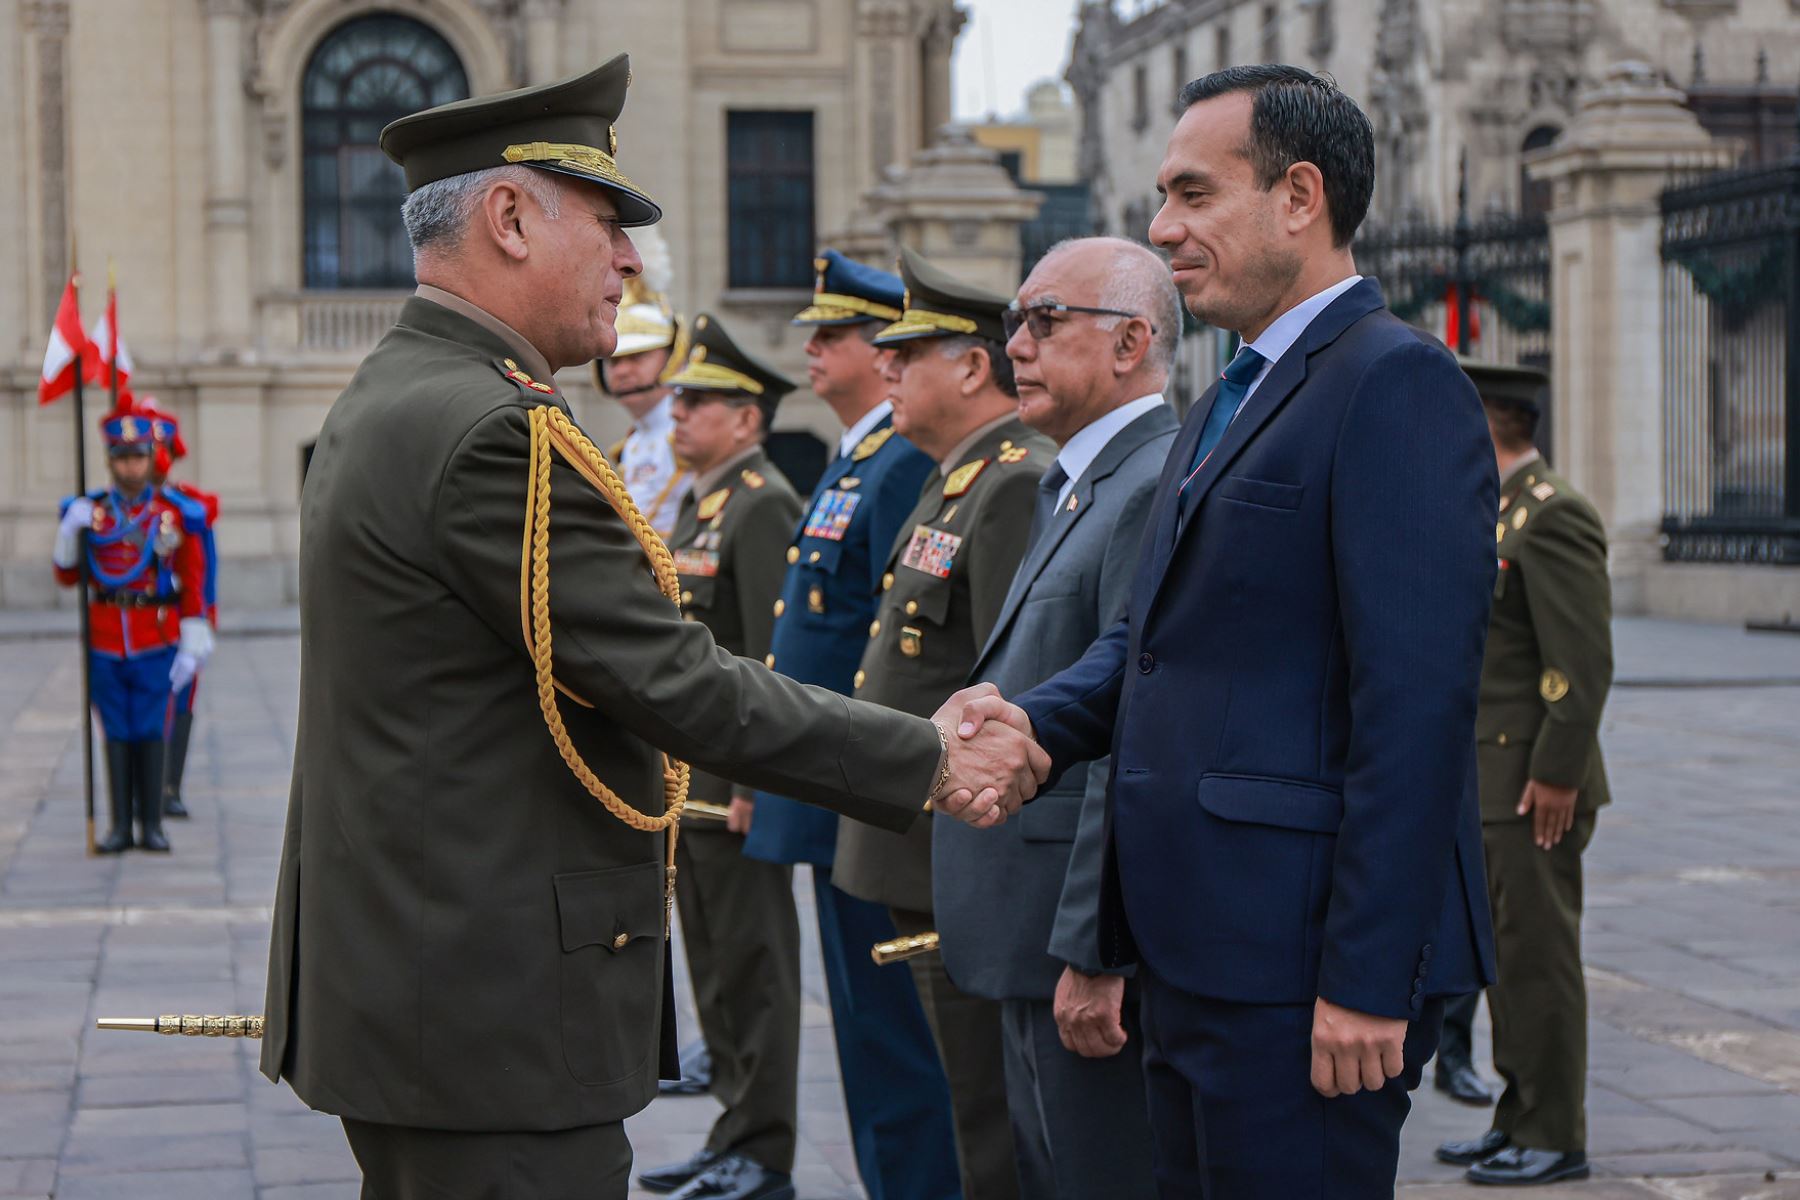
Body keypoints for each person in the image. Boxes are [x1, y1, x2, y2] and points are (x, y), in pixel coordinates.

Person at [257, 57, 1047, 1198]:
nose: (629, 259)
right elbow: (678, 681)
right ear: (510, 218)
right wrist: (930, 755)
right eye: (606, 222)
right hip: (491, 1008)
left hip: (428, 983)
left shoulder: (401, 392)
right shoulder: (497, 432)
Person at [965, 65, 1499, 1197]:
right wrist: (1033, 726)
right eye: (1165, 197)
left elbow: (1416, 710)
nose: (1163, 229)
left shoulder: (1396, 382)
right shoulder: (1226, 397)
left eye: (1194, 194)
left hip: (1300, 964)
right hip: (1192, 943)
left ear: (1299, 196)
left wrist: (1366, 980)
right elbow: (1152, 641)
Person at [935, 236, 1178, 1199]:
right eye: (1014, 322)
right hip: (1027, 927)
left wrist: (1094, 945)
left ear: (1130, 342)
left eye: (1045, 320)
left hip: (1070, 939)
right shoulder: (1076, 481)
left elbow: (1133, 731)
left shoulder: (1151, 482)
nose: (1015, 347)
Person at [740, 249, 961, 1200]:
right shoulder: (858, 456)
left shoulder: (900, 461)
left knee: (894, 1034)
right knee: (870, 1032)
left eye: (833, 334)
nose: (812, 349)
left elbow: (897, 644)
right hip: (838, 783)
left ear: (883, 352)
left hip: (872, 788)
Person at [835, 245, 1054, 1200]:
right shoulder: (952, 477)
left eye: (907, 353)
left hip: (959, 854)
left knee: (989, 1120)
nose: (884, 367)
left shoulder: (1009, 482)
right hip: (917, 847)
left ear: (971, 367)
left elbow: (1012, 696)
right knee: (957, 1103)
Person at [634, 314, 805, 1200]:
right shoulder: (706, 500)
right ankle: (733, 1131)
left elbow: (771, 661)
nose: (679, 413)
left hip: (734, 788)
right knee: (715, 970)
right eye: (680, 400)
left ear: (746, 418)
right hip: (690, 785)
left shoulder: (762, 500)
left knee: (754, 970)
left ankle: (764, 1150)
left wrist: (755, 786)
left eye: (698, 402)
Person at [1435, 361, 1612, 1188]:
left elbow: (1580, 663)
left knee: (1538, 960)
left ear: (1488, 421)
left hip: (1533, 784)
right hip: (1490, 777)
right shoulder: (1498, 509)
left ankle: (1555, 1133)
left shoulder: (1552, 514)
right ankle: (1516, 1117)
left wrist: (1558, 776)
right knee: (1505, 960)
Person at [52, 399, 212, 853]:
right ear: (110, 460)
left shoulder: (172, 514)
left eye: (138, 456)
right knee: (116, 730)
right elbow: (67, 576)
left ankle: (152, 824)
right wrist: (68, 533)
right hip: (105, 639)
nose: (131, 466)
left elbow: (193, 576)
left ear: (150, 457)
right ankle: (121, 826)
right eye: (122, 457)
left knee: (151, 727)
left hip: (154, 637)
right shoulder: (92, 513)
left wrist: (193, 635)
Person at [137, 395, 220, 822]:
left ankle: (170, 787)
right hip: (136, 622)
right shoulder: (118, 509)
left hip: (178, 620)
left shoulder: (188, 507)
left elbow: (204, 568)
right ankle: (142, 791)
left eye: (156, 451)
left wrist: (203, 620)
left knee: (182, 699)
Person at [593, 225, 692, 539]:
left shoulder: (689, 432)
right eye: (615, 361)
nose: (622, 371)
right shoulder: (631, 443)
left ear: (673, 355)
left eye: (638, 357)